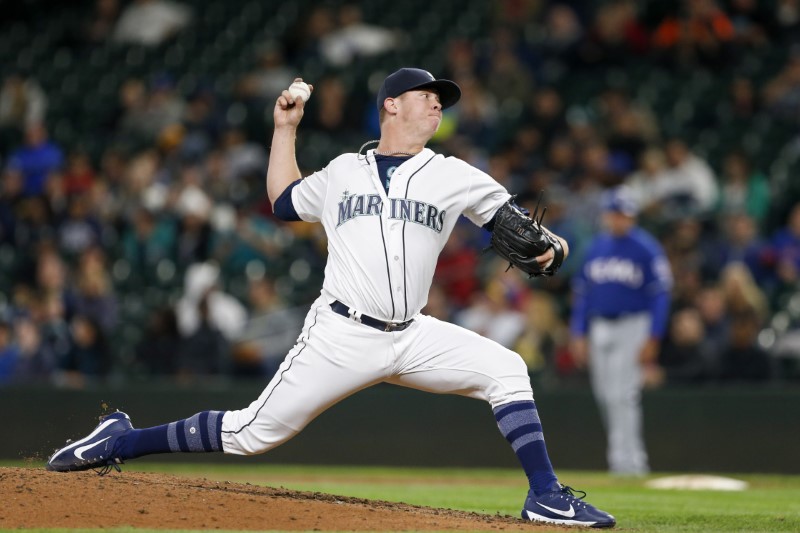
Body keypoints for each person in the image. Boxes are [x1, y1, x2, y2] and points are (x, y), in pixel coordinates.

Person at [46, 68, 615, 528]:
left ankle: (546, 498)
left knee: (508, 369)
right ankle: (122, 438)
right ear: (392, 105)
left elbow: (527, 231)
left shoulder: (456, 175)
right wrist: (285, 128)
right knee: (250, 435)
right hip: (341, 333)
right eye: (428, 96)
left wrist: (554, 251)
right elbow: (283, 202)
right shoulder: (345, 171)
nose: (439, 105)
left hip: (413, 333)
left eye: (443, 100)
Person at [569, 187, 672, 476]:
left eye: (626, 215)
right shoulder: (595, 247)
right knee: (604, 394)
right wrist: (578, 332)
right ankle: (620, 458)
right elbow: (582, 294)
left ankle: (631, 463)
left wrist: (654, 335)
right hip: (600, 326)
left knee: (624, 395)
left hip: (633, 324)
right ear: (607, 215)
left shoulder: (646, 247)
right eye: (616, 214)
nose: (621, 220)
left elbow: (661, 294)